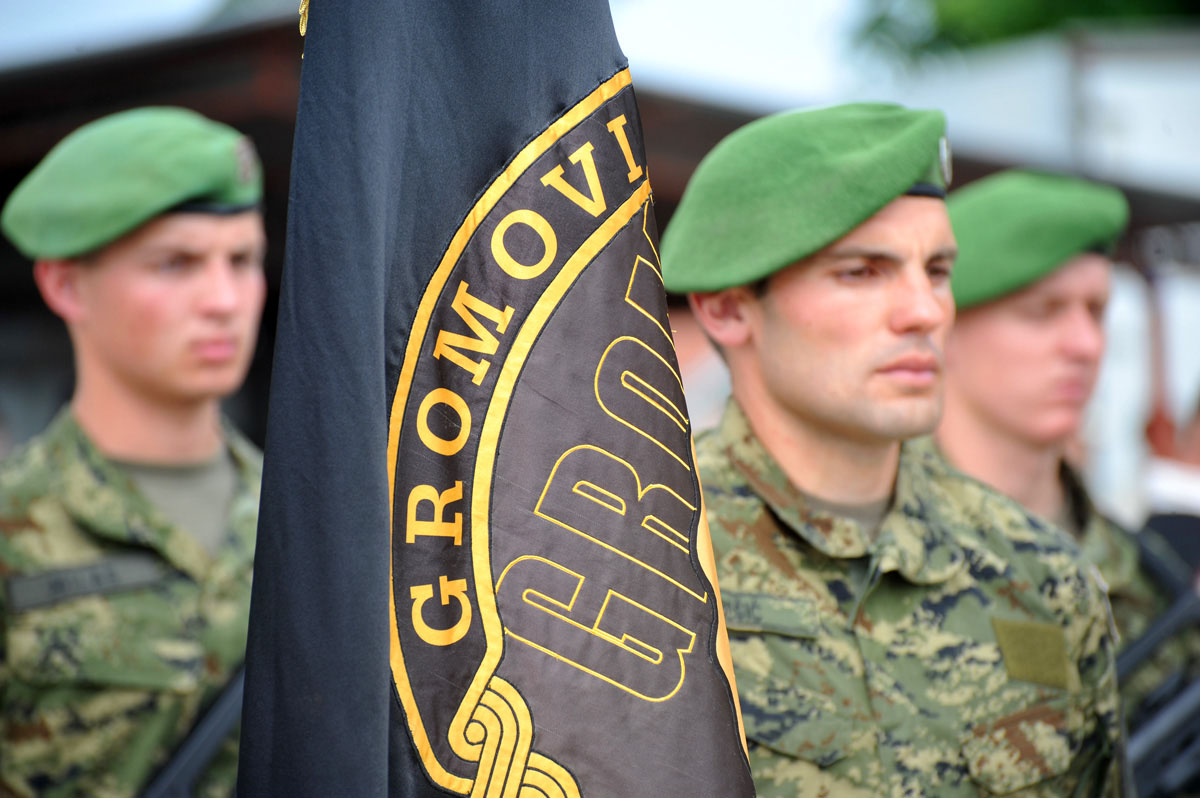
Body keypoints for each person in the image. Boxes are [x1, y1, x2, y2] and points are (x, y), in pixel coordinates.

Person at [660, 104, 1120, 796]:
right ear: (727, 309)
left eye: (937, 270)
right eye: (862, 272)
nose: (925, 311)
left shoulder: (1043, 575)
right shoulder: (646, 562)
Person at [0, 107, 266, 797]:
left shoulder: (315, 518)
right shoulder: (12, 525)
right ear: (65, 285)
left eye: (242, 260)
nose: (224, 300)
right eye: (176, 263)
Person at [935, 169, 1200, 720]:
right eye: (1042, 311)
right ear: (945, 325)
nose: (1086, 345)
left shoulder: (1153, 578)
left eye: (1096, 311)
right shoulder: (870, 554)